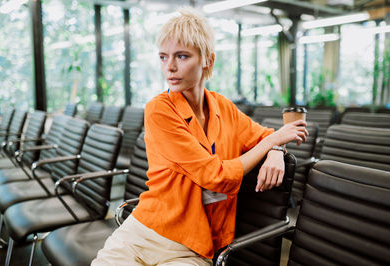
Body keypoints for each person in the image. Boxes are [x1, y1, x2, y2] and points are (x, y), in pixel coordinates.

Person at [92, 7, 307, 266]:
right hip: (144, 231)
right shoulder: (160, 109)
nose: (169, 67)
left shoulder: (224, 107)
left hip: (194, 245)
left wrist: (275, 149)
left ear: (207, 60)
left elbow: (264, 135)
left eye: (181, 56)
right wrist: (272, 143)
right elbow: (215, 176)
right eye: (163, 57)